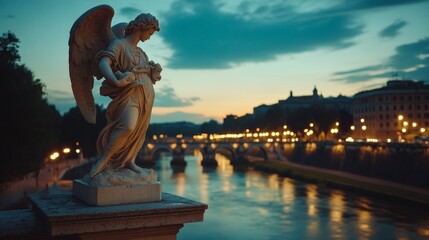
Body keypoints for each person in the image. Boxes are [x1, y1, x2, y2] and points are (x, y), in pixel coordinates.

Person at [90, 13, 161, 177]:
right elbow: (103, 63)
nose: (149, 38)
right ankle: (104, 160)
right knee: (128, 126)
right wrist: (115, 81)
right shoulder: (119, 44)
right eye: (150, 33)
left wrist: (153, 74)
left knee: (138, 131)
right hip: (129, 93)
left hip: (147, 94)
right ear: (142, 28)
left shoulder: (142, 53)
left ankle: (129, 161)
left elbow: (146, 74)